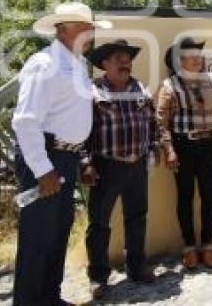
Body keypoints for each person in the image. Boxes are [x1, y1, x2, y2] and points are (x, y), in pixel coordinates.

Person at [11, 2, 111, 305]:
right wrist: (42, 169)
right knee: (37, 239)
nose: (91, 33)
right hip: (45, 158)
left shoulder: (75, 65)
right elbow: (26, 121)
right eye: (86, 28)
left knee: (56, 235)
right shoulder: (44, 64)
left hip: (64, 159)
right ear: (63, 29)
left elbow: (69, 120)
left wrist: (79, 159)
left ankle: (48, 298)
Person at [82, 40, 159, 299]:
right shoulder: (92, 92)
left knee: (137, 218)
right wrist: (86, 163)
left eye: (127, 58)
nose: (125, 62)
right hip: (105, 166)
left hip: (137, 165)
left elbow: (151, 124)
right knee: (99, 223)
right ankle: (98, 277)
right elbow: (81, 132)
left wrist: (153, 151)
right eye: (118, 58)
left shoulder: (140, 89)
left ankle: (136, 268)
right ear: (104, 64)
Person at [156, 37, 212, 268]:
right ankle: (189, 247)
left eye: (199, 56)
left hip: (208, 146)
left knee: (210, 197)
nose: (197, 60)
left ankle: (207, 245)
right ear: (180, 61)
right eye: (192, 57)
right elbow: (161, 123)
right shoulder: (169, 86)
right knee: (185, 198)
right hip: (183, 147)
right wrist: (169, 150)